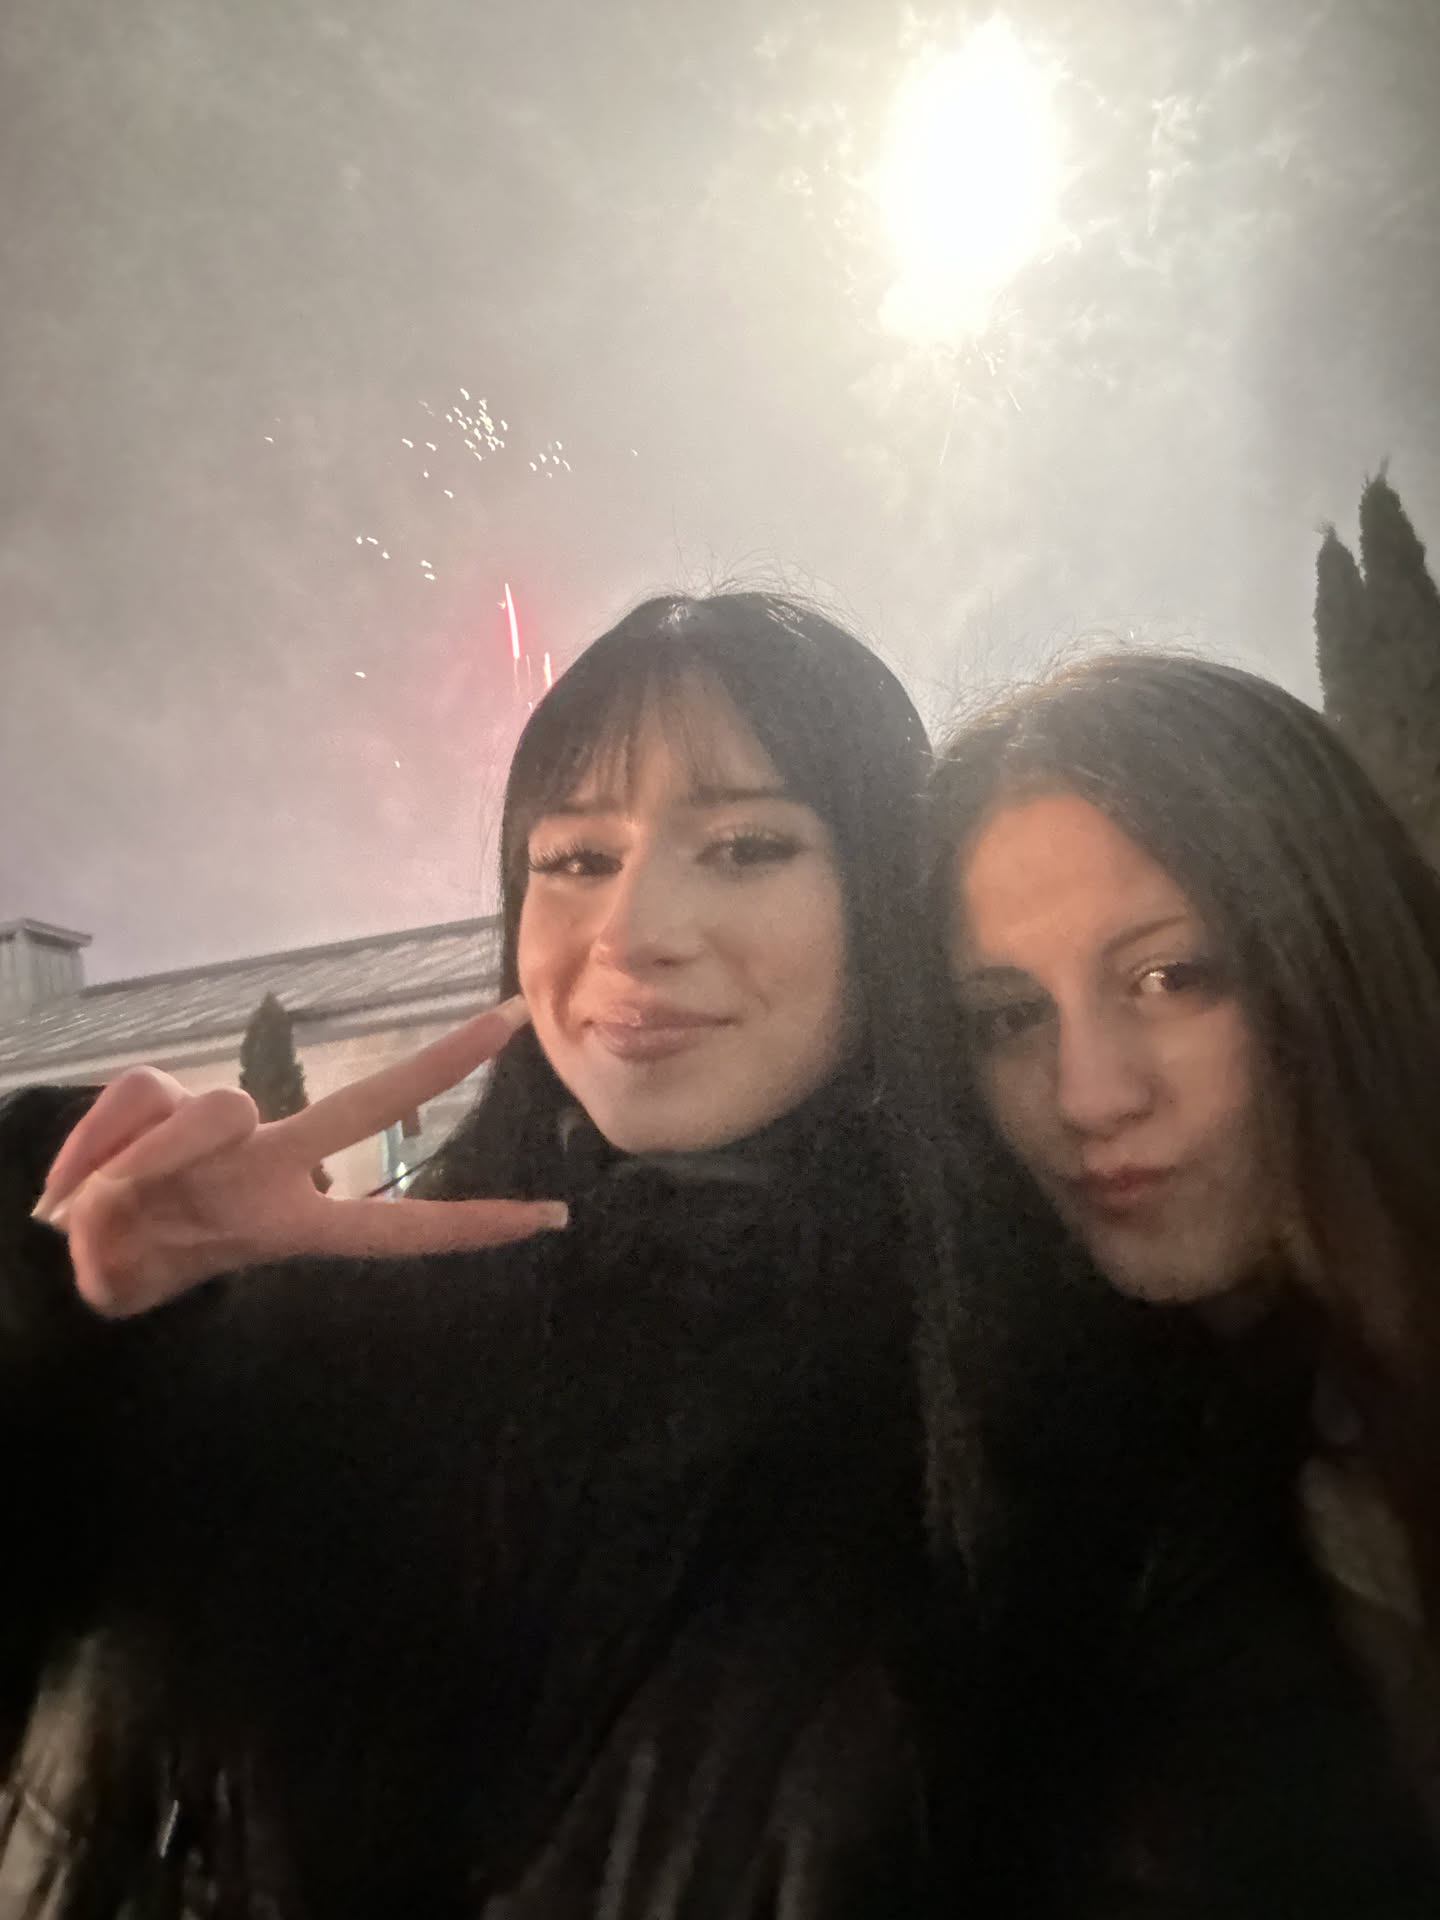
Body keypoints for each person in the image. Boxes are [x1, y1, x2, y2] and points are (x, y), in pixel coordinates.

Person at [1, 590, 979, 1919]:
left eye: (748, 846)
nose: (633, 932)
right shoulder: (308, 1341)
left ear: (889, 903)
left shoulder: (986, 1405)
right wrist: (54, 1321)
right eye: (574, 859)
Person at [932, 648, 1440, 1892]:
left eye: (1172, 977)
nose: (1088, 1097)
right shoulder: (1072, 1482)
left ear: (1329, 945)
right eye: (1008, 1016)